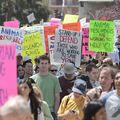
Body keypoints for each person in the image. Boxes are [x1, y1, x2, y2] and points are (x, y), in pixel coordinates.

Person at [30, 55, 61, 120]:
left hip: (51, 111)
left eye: (46, 63)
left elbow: (57, 97)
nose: (44, 65)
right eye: (42, 63)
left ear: (49, 65)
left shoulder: (55, 79)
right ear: (38, 64)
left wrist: (55, 112)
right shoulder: (32, 79)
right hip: (36, 111)